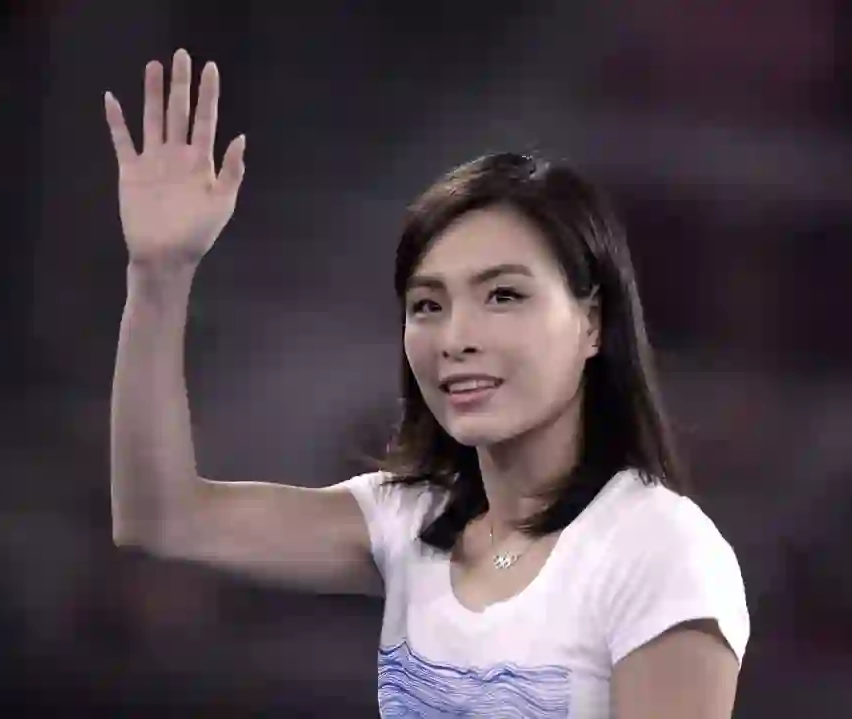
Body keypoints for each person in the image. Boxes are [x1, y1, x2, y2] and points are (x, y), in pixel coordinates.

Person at [104, 48, 750, 718]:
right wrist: (158, 276)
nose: (455, 337)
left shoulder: (658, 552)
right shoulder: (410, 521)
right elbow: (161, 515)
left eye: (503, 295)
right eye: (428, 305)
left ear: (592, 322)